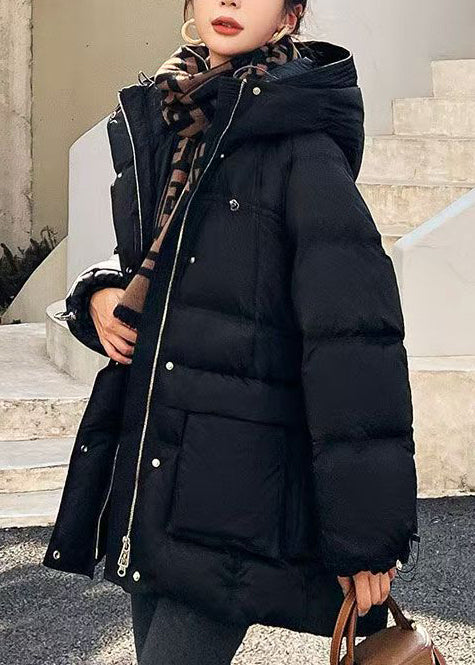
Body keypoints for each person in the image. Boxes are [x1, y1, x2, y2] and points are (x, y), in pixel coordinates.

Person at [43, 1, 420, 663]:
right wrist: (97, 292)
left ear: (289, 16)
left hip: (230, 495)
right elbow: (160, 265)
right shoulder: (176, 119)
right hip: (154, 479)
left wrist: (367, 536)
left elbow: (354, 343)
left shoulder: (300, 146)